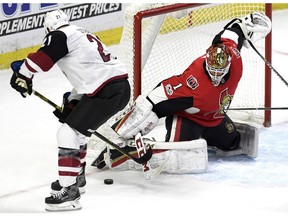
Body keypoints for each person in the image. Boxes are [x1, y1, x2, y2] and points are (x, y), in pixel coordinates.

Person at [93, 12, 271, 171]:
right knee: (178, 159)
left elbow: (235, 28)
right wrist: (124, 130)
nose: (216, 75)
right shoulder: (193, 84)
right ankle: (122, 154)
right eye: (212, 70)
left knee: (233, 144)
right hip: (188, 119)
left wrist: (251, 22)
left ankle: (205, 137)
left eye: (220, 71)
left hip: (213, 118)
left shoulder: (233, 55)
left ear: (230, 61)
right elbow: (155, 100)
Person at [10, 9, 131, 211]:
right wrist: (74, 102)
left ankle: (69, 194)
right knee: (78, 132)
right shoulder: (80, 33)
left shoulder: (59, 35)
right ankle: (76, 179)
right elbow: (89, 74)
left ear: (48, 29)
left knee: (67, 133)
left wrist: (23, 74)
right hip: (115, 89)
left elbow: (40, 61)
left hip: (107, 92)